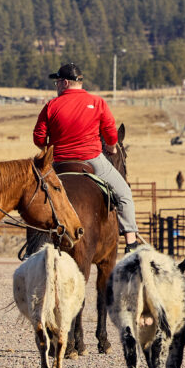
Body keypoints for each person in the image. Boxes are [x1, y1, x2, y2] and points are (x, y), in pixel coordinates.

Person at [33, 63, 142, 253]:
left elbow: (38, 138)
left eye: (57, 82)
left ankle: (32, 247)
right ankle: (131, 243)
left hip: (59, 162)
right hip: (92, 159)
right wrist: (111, 149)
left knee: (34, 196)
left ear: (65, 83)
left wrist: (48, 148)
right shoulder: (98, 102)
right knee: (124, 194)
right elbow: (110, 134)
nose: (57, 86)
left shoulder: (51, 106)